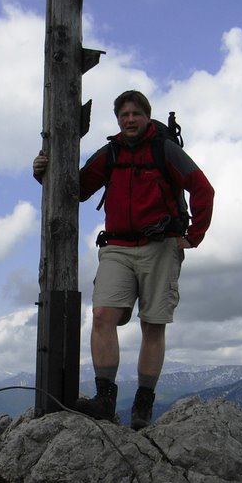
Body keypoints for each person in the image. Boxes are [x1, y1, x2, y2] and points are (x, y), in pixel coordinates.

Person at [33, 89, 214, 429]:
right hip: (116, 245)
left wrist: (192, 236)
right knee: (102, 315)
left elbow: (203, 188)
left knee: (153, 324)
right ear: (118, 119)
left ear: (147, 117)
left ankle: (143, 407)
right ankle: (105, 400)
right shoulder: (111, 153)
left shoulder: (165, 151)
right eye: (123, 114)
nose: (129, 119)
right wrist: (44, 171)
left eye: (135, 114)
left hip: (160, 245)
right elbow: (77, 188)